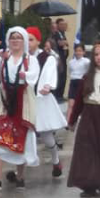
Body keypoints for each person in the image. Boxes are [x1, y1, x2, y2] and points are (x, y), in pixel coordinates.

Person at [0, 27, 40, 190]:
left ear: (23, 41)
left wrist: (26, 76)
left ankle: (20, 176)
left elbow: (34, 76)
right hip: (4, 97)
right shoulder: (4, 57)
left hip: (23, 98)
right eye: (12, 38)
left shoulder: (30, 60)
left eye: (18, 38)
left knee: (21, 133)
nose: (15, 40)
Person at [67, 40, 100, 197]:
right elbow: (78, 101)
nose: (98, 57)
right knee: (87, 149)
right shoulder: (86, 77)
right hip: (89, 115)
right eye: (96, 54)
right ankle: (88, 184)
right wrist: (72, 120)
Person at [27, 28, 66, 178]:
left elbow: (50, 74)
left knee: (46, 134)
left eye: (31, 39)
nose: (28, 43)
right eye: (27, 39)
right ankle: (20, 170)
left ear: (38, 41)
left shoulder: (46, 58)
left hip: (41, 99)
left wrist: (48, 85)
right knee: (23, 133)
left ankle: (56, 160)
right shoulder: (21, 57)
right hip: (25, 99)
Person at [67, 43, 90, 113]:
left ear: (84, 52)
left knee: (81, 103)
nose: (78, 52)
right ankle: (68, 122)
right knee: (71, 104)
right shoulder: (71, 62)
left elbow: (89, 72)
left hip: (81, 82)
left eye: (80, 51)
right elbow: (70, 72)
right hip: (73, 83)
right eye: (76, 51)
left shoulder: (87, 61)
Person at [53, 18, 69, 100]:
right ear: (58, 25)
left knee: (63, 77)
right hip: (59, 59)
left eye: (65, 24)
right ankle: (57, 96)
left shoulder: (63, 34)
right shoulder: (56, 34)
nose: (64, 26)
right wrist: (64, 43)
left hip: (64, 58)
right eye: (62, 24)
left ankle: (61, 95)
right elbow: (58, 43)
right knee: (59, 77)